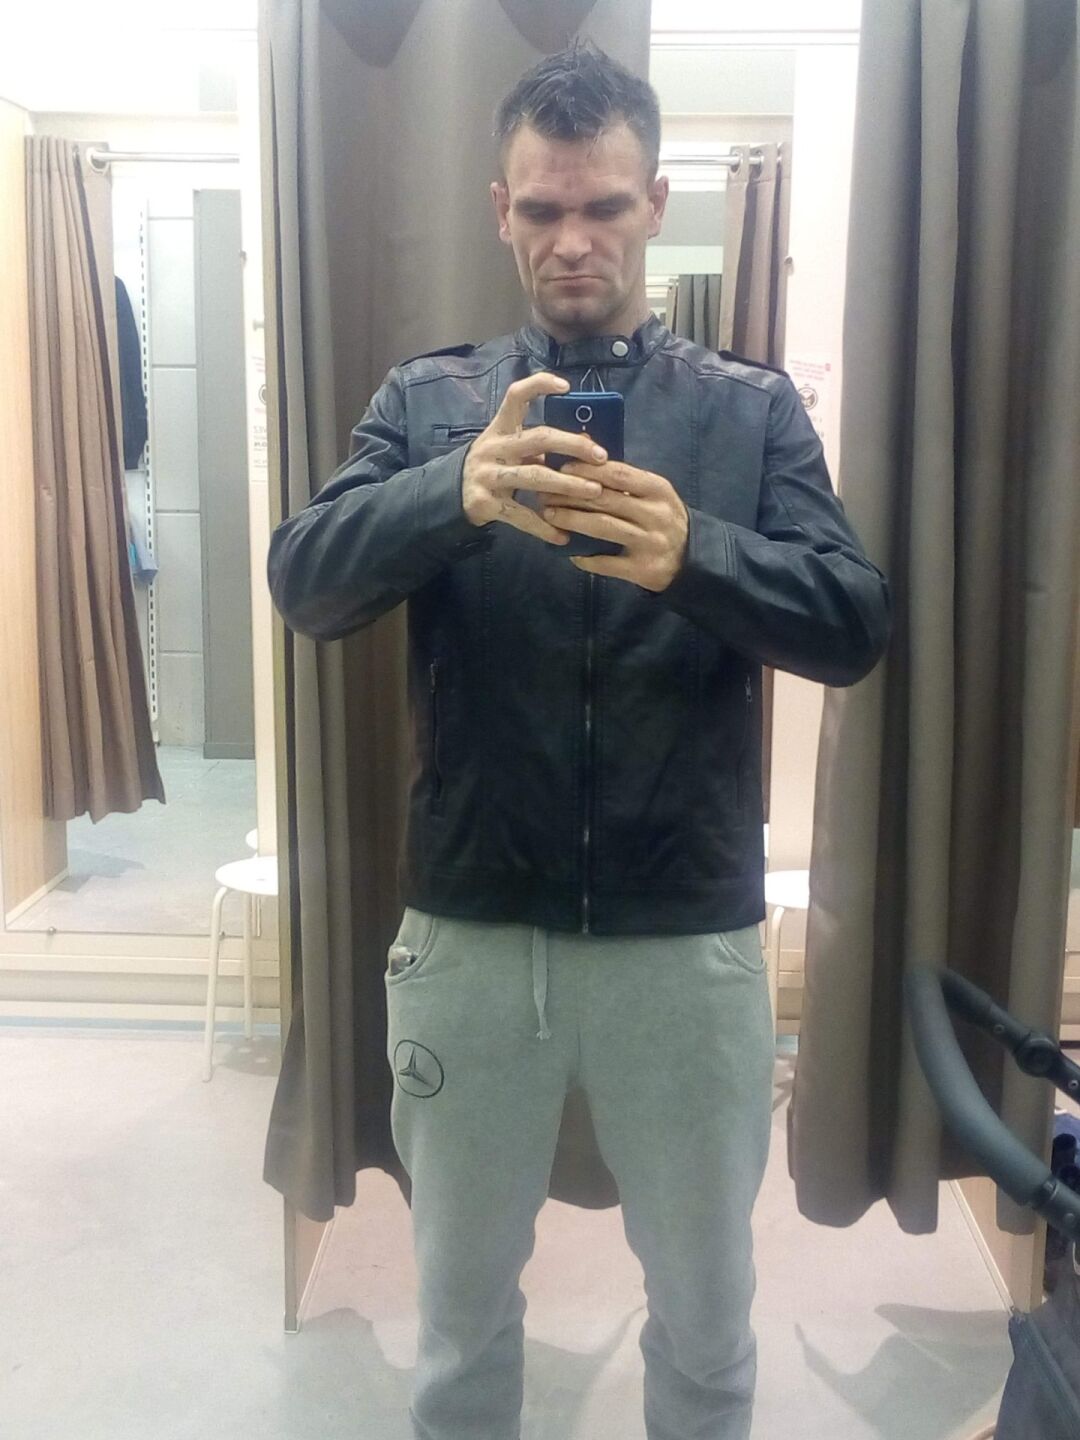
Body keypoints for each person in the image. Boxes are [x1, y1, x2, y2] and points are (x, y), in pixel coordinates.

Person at [267, 38, 890, 1440]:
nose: (572, 241)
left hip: (687, 945)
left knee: (709, 1324)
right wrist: (454, 492)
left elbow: (855, 622)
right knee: (460, 1326)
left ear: (655, 203)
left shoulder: (747, 410)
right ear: (500, 210)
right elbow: (304, 581)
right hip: (473, 939)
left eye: (604, 206)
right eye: (543, 209)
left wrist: (696, 554)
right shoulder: (430, 403)